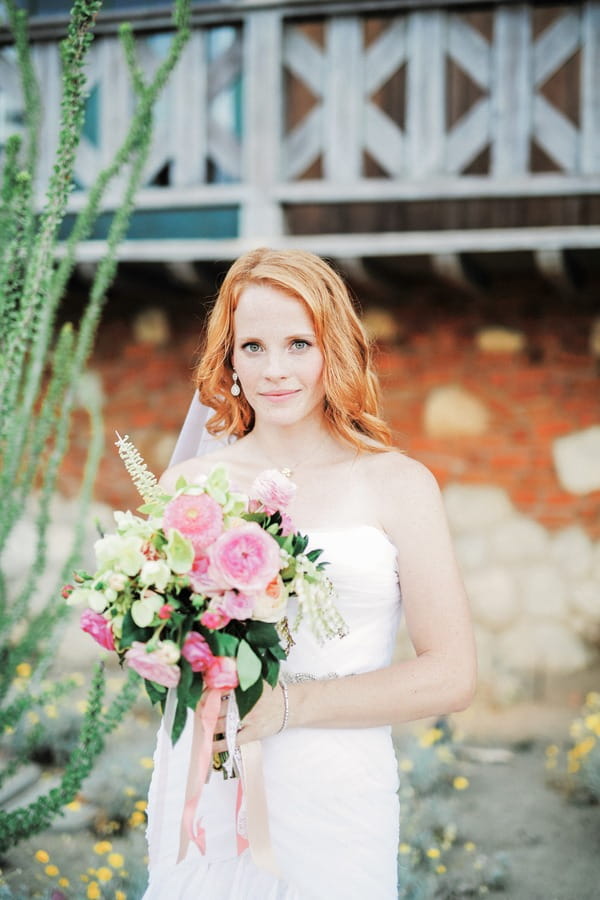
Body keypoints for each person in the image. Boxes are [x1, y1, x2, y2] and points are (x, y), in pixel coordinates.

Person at [142, 247, 476, 899]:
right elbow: (163, 640)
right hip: (209, 784)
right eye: (254, 347)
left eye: (299, 343)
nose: (276, 370)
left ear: (335, 349)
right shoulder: (189, 487)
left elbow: (452, 674)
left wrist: (290, 706)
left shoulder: (399, 485)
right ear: (229, 359)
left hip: (336, 792)